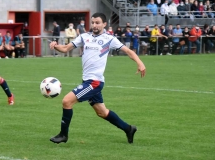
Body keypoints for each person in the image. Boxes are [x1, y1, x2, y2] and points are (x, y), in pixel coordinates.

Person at [48, 12, 146, 144]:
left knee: (66, 101)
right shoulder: (84, 37)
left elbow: (128, 51)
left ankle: (63, 135)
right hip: (87, 81)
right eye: (93, 22)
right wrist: (55, 46)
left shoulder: (109, 39)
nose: (94, 25)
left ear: (104, 24)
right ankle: (129, 129)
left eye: (97, 23)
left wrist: (140, 63)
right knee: (102, 112)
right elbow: (65, 48)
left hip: (94, 82)